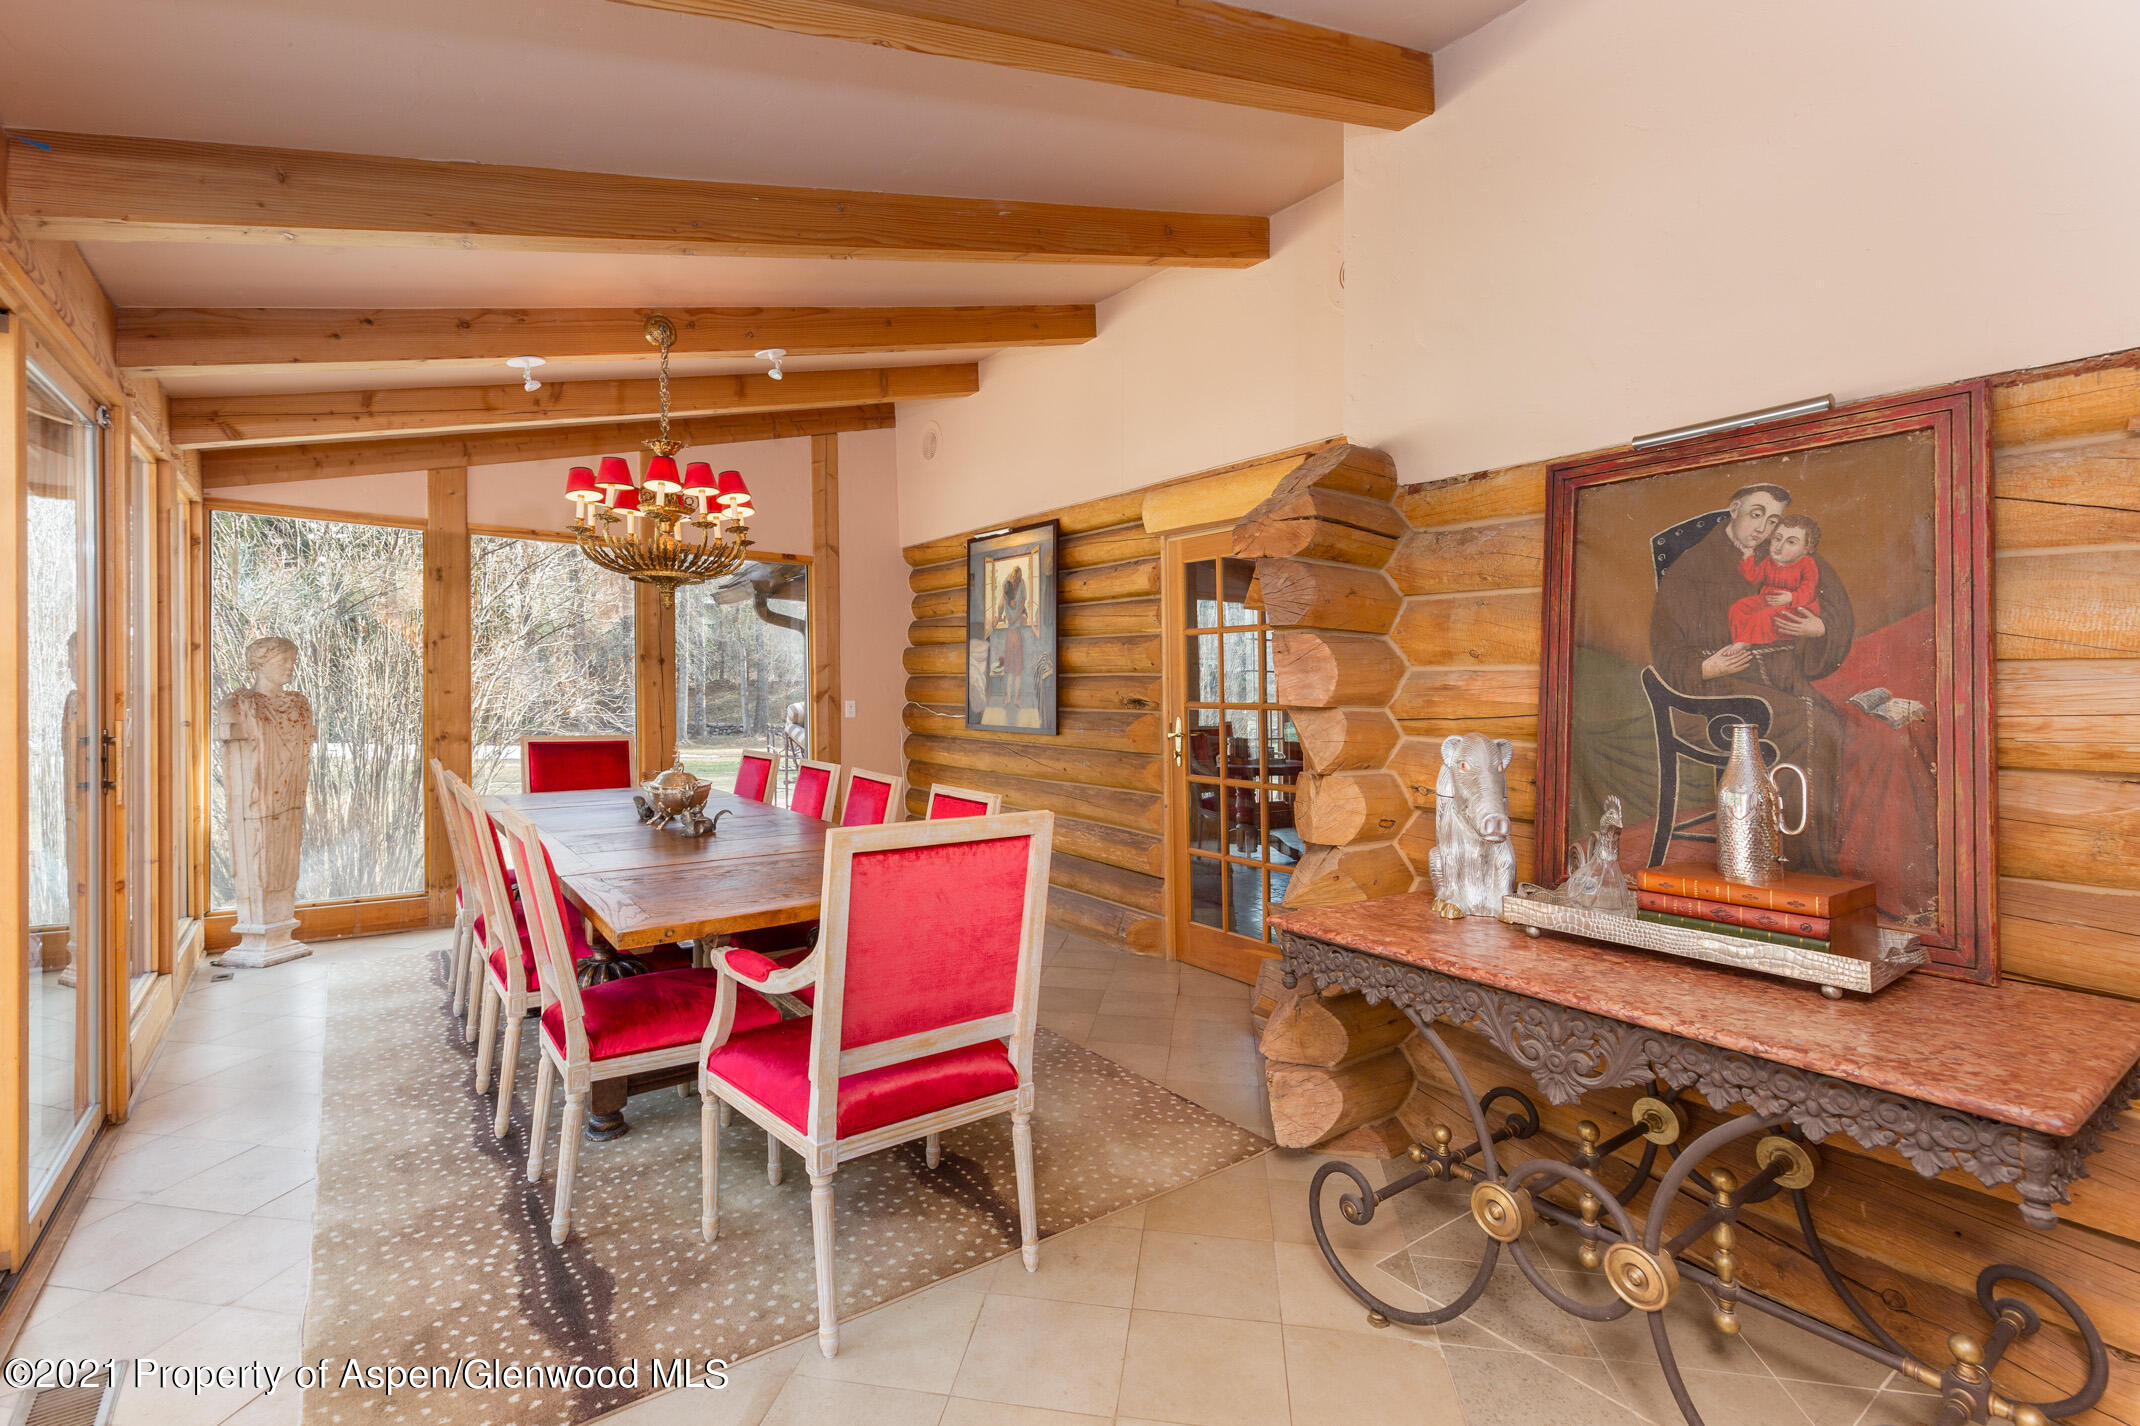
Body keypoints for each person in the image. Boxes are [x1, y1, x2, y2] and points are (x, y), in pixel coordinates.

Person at [1728, 514, 1822, 648]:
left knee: (1763, 616)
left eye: (1791, 542)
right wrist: (1747, 557)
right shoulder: (1770, 561)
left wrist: (1791, 597)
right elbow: (1753, 577)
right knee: (1738, 608)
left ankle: (1745, 642)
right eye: (1777, 539)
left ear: (1807, 548)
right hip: (1768, 601)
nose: (1779, 546)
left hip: (1795, 608)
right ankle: (1739, 641)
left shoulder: (1807, 564)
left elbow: (1809, 591)